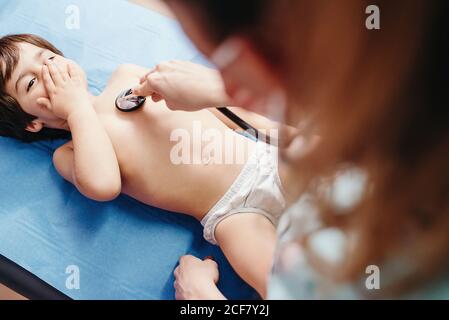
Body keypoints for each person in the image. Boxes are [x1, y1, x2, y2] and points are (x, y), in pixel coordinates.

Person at [134, 0, 449, 299]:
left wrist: (199, 295)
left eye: (218, 58)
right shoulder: (396, 118)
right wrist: (225, 91)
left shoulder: (334, 269)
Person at [0, 34, 296, 299]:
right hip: (231, 214)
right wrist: (77, 107)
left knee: (330, 176)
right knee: (279, 286)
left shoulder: (126, 76)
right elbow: (103, 185)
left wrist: (272, 130)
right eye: (31, 82)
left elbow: (215, 107)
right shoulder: (69, 152)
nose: (49, 73)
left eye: (48, 59)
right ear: (32, 123)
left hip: (262, 158)